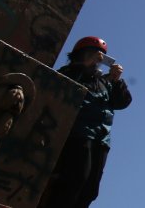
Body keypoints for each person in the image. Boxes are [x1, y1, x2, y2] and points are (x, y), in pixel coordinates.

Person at [40, 36, 132, 208]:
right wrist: (84, 66)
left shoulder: (104, 81)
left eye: (99, 55)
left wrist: (117, 80)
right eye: (91, 53)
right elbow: (58, 87)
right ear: (79, 55)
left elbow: (123, 102)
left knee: (90, 189)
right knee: (73, 180)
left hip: (101, 140)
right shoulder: (70, 72)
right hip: (77, 134)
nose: (96, 58)